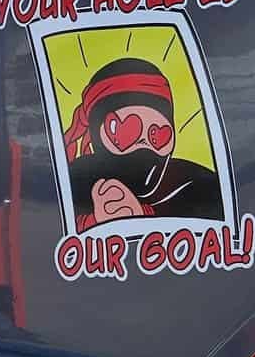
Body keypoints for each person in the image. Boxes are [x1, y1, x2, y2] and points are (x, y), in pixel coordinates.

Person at [60, 56, 223, 230]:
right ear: (96, 131)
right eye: (128, 132)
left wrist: (143, 217)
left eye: (157, 135)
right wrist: (94, 222)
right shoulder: (75, 180)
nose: (143, 144)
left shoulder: (195, 183)